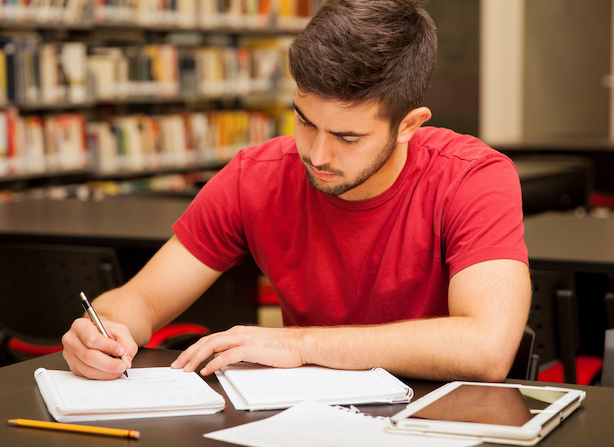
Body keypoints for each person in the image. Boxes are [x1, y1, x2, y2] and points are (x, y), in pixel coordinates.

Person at [62, 0, 531, 382]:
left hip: (435, 423)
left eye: (348, 138)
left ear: (408, 126)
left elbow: (486, 348)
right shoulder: (257, 176)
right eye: (305, 121)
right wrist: (105, 329)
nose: (318, 154)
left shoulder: (473, 177)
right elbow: (141, 300)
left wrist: (299, 343)